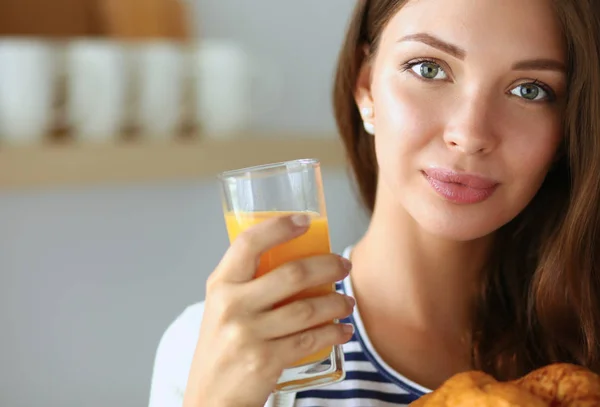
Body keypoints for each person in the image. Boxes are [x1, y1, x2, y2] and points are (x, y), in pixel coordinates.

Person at [148, 0, 600, 406]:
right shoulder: (227, 348)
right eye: (428, 68)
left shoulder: (584, 342)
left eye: (529, 90)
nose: (470, 133)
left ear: (567, 129)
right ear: (365, 88)